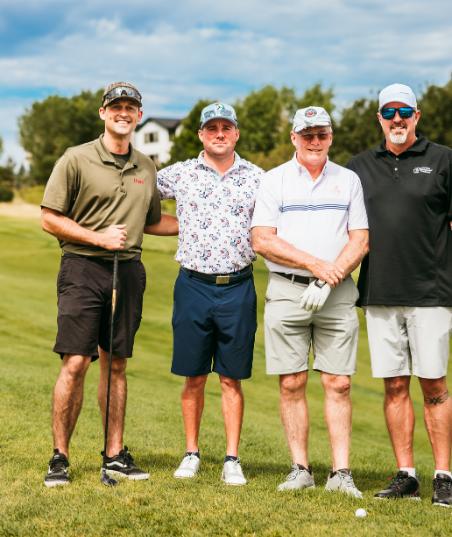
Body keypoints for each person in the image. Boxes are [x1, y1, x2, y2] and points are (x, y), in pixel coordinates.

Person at [346, 83, 452, 507]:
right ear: (379, 119)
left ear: (416, 116)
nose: (397, 119)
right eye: (389, 112)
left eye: (405, 111)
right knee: (395, 386)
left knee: (434, 385)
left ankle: (443, 475)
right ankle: (407, 475)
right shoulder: (359, 166)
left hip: (430, 292)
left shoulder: (444, 160)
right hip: (380, 292)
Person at [41, 82, 178, 487]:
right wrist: (97, 237)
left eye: (130, 107)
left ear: (139, 115)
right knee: (77, 362)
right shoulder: (76, 159)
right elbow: (50, 217)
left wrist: (205, 228)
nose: (123, 112)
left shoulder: (146, 167)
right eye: (115, 106)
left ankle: (114, 454)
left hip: (128, 270)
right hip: (83, 268)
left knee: (117, 364)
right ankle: (60, 457)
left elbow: (151, 222)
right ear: (103, 113)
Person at [251, 106, 369, 495]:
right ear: (294, 138)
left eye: (321, 134)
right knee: (292, 382)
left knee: (338, 383)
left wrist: (330, 275)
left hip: (336, 293)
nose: (314, 141)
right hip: (287, 289)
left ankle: (341, 473)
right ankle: (301, 468)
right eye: (307, 135)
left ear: (331, 137)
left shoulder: (348, 180)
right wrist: (316, 265)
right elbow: (263, 239)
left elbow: (360, 239)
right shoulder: (274, 181)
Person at [156, 102, 264, 485]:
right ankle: (191, 452)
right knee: (194, 376)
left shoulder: (257, 177)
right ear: (201, 134)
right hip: (193, 286)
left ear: (236, 134)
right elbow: (138, 200)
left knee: (231, 378)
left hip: (237, 286)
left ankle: (231, 458)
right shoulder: (180, 173)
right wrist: (179, 227)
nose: (219, 133)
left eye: (226, 127)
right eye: (211, 127)